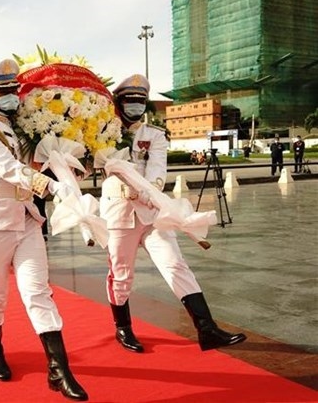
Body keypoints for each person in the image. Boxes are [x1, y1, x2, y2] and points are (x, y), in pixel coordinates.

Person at [0, 58, 88, 401]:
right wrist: (49, 187)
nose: (12, 98)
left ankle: (59, 371)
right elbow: (8, 169)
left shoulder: (19, 127)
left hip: (25, 218)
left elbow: (32, 162)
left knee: (38, 292)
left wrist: (67, 167)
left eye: (14, 92)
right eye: (4, 92)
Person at [100, 74, 246, 354]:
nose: (136, 106)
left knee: (175, 264)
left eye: (140, 101)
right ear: (119, 103)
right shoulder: (103, 133)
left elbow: (157, 171)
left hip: (154, 212)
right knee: (121, 275)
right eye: (130, 101)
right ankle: (123, 328)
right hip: (119, 214)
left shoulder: (154, 135)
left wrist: (148, 192)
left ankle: (207, 329)